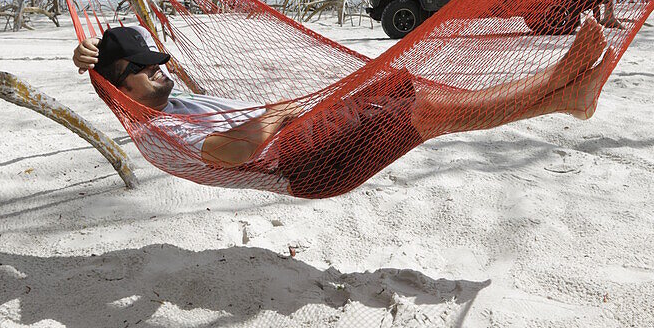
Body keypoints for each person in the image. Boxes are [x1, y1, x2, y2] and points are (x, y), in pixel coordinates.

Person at [72, 20, 614, 197]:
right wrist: (279, 116)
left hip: (302, 141)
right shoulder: (159, 131)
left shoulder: (160, 98)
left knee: (407, 90)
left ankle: (565, 96)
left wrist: (90, 59)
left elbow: (104, 70)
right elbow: (229, 151)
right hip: (298, 160)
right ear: (122, 87)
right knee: (420, 106)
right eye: (144, 68)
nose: (159, 70)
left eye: (157, 61)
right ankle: (555, 81)